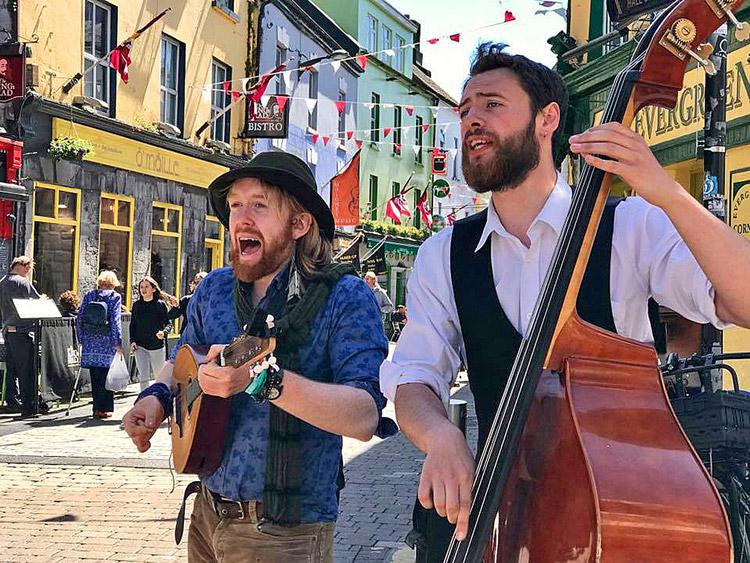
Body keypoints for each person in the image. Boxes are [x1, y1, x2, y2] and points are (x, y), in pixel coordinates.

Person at [380, 43, 750, 559]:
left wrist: (667, 192)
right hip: (503, 517)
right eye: (465, 110)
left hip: (624, 509)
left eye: (491, 104)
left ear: (547, 119)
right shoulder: (444, 254)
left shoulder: (629, 226)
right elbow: (415, 375)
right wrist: (440, 436)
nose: (471, 121)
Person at [122, 150, 391, 563]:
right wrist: (155, 399)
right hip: (207, 511)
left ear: (299, 223)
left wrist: (262, 381)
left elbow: (363, 417)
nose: (241, 219)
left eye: (260, 206)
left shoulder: (345, 297)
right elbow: (184, 357)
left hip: (286, 531)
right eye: (234, 206)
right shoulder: (213, 288)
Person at [76, 271, 123, 419]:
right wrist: (118, 342)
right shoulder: (114, 297)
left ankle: (96, 408)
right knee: (106, 375)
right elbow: (115, 321)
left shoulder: (90, 294)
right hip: (106, 342)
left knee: (95, 375)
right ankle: (105, 408)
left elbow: (80, 316)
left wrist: (81, 337)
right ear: (113, 283)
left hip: (90, 342)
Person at [0, 256, 41, 416]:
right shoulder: (22, 282)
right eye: (28, 269)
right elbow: (37, 302)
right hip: (23, 330)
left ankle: (12, 402)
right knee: (26, 370)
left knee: (12, 369)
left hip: (8, 330)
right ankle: (28, 406)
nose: (28, 273)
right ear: (21, 266)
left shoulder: (3, 281)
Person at [129, 276, 172, 391]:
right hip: (140, 346)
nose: (143, 289)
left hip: (156, 346)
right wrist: (132, 341)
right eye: (141, 287)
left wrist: (164, 332)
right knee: (143, 377)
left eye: (147, 287)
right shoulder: (136, 305)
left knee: (159, 376)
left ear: (153, 289)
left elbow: (169, 323)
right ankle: (143, 399)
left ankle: (160, 397)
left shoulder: (160, 304)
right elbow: (132, 325)